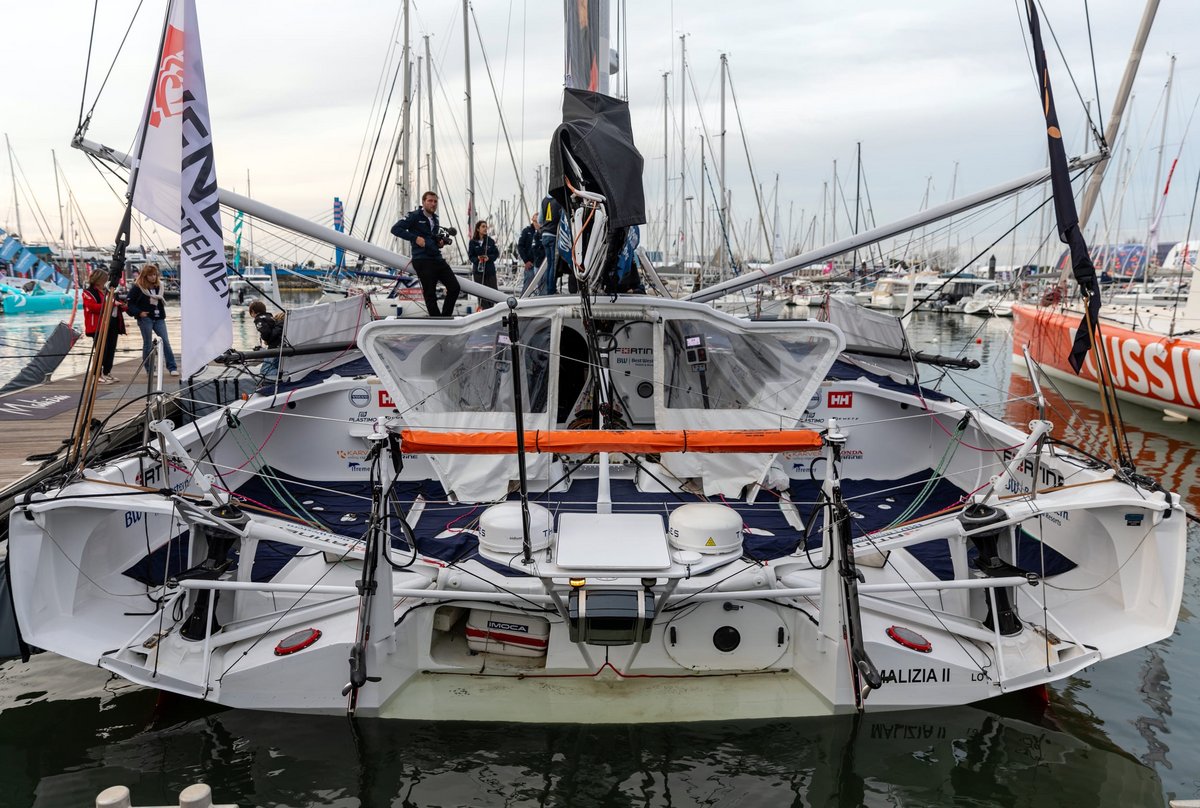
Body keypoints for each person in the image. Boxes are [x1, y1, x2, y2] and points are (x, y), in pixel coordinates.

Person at [390, 191, 460, 317]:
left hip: (436, 258)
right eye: (430, 201)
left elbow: (431, 238)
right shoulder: (414, 216)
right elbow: (395, 229)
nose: (433, 204)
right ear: (423, 202)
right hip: (422, 259)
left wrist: (439, 243)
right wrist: (415, 238)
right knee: (430, 294)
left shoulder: (435, 219)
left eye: (435, 201)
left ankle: (445, 318)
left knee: (454, 288)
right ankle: (437, 322)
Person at [126, 263, 179, 376]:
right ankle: (150, 369)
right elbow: (129, 304)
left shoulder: (160, 286)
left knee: (165, 341)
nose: (153, 277)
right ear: (145, 276)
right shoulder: (138, 288)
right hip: (146, 318)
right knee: (148, 343)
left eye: (155, 275)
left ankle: (172, 367)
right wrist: (139, 313)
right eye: (150, 275)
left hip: (159, 317)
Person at [81, 268, 126, 384]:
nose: (106, 281)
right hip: (97, 326)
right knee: (101, 350)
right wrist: (111, 303)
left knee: (111, 349)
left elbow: (115, 305)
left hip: (112, 323)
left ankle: (107, 372)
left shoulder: (108, 291)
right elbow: (93, 307)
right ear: (98, 280)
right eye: (104, 279)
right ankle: (97, 374)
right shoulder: (88, 293)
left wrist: (122, 305)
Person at [467, 220, 500, 310]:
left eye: (486, 226)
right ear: (478, 229)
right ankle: (485, 311)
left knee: (493, 292)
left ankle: (493, 310)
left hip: (490, 271)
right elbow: (470, 256)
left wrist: (488, 258)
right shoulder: (472, 242)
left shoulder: (490, 241)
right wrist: (477, 259)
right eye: (483, 226)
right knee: (481, 294)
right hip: (478, 272)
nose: (485, 228)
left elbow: (496, 254)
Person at [248, 300, 285, 379]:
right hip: (280, 346)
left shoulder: (258, 319)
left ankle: (285, 375)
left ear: (253, 312)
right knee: (276, 365)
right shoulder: (270, 317)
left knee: (265, 371)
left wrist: (265, 339)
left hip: (274, 348)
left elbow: (266, 333)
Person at [538, 195, 564, 295]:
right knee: (554, 264)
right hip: (553, 235)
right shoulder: (558, 200)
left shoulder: (544, 200)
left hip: (544, 235)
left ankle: (549, 289)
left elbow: (540, 220)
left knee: (549, 264)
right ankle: (551, 289)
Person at [517, 214, 544, 293]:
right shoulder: (526, 231)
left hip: (540, 264)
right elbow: (520, 246)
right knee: (527, 287)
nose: (537, 223)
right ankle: (522, 302)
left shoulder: (543, 232)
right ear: (532, 219)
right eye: (535, 221)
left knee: (541, 287)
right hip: (530, 264)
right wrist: (526, 261)